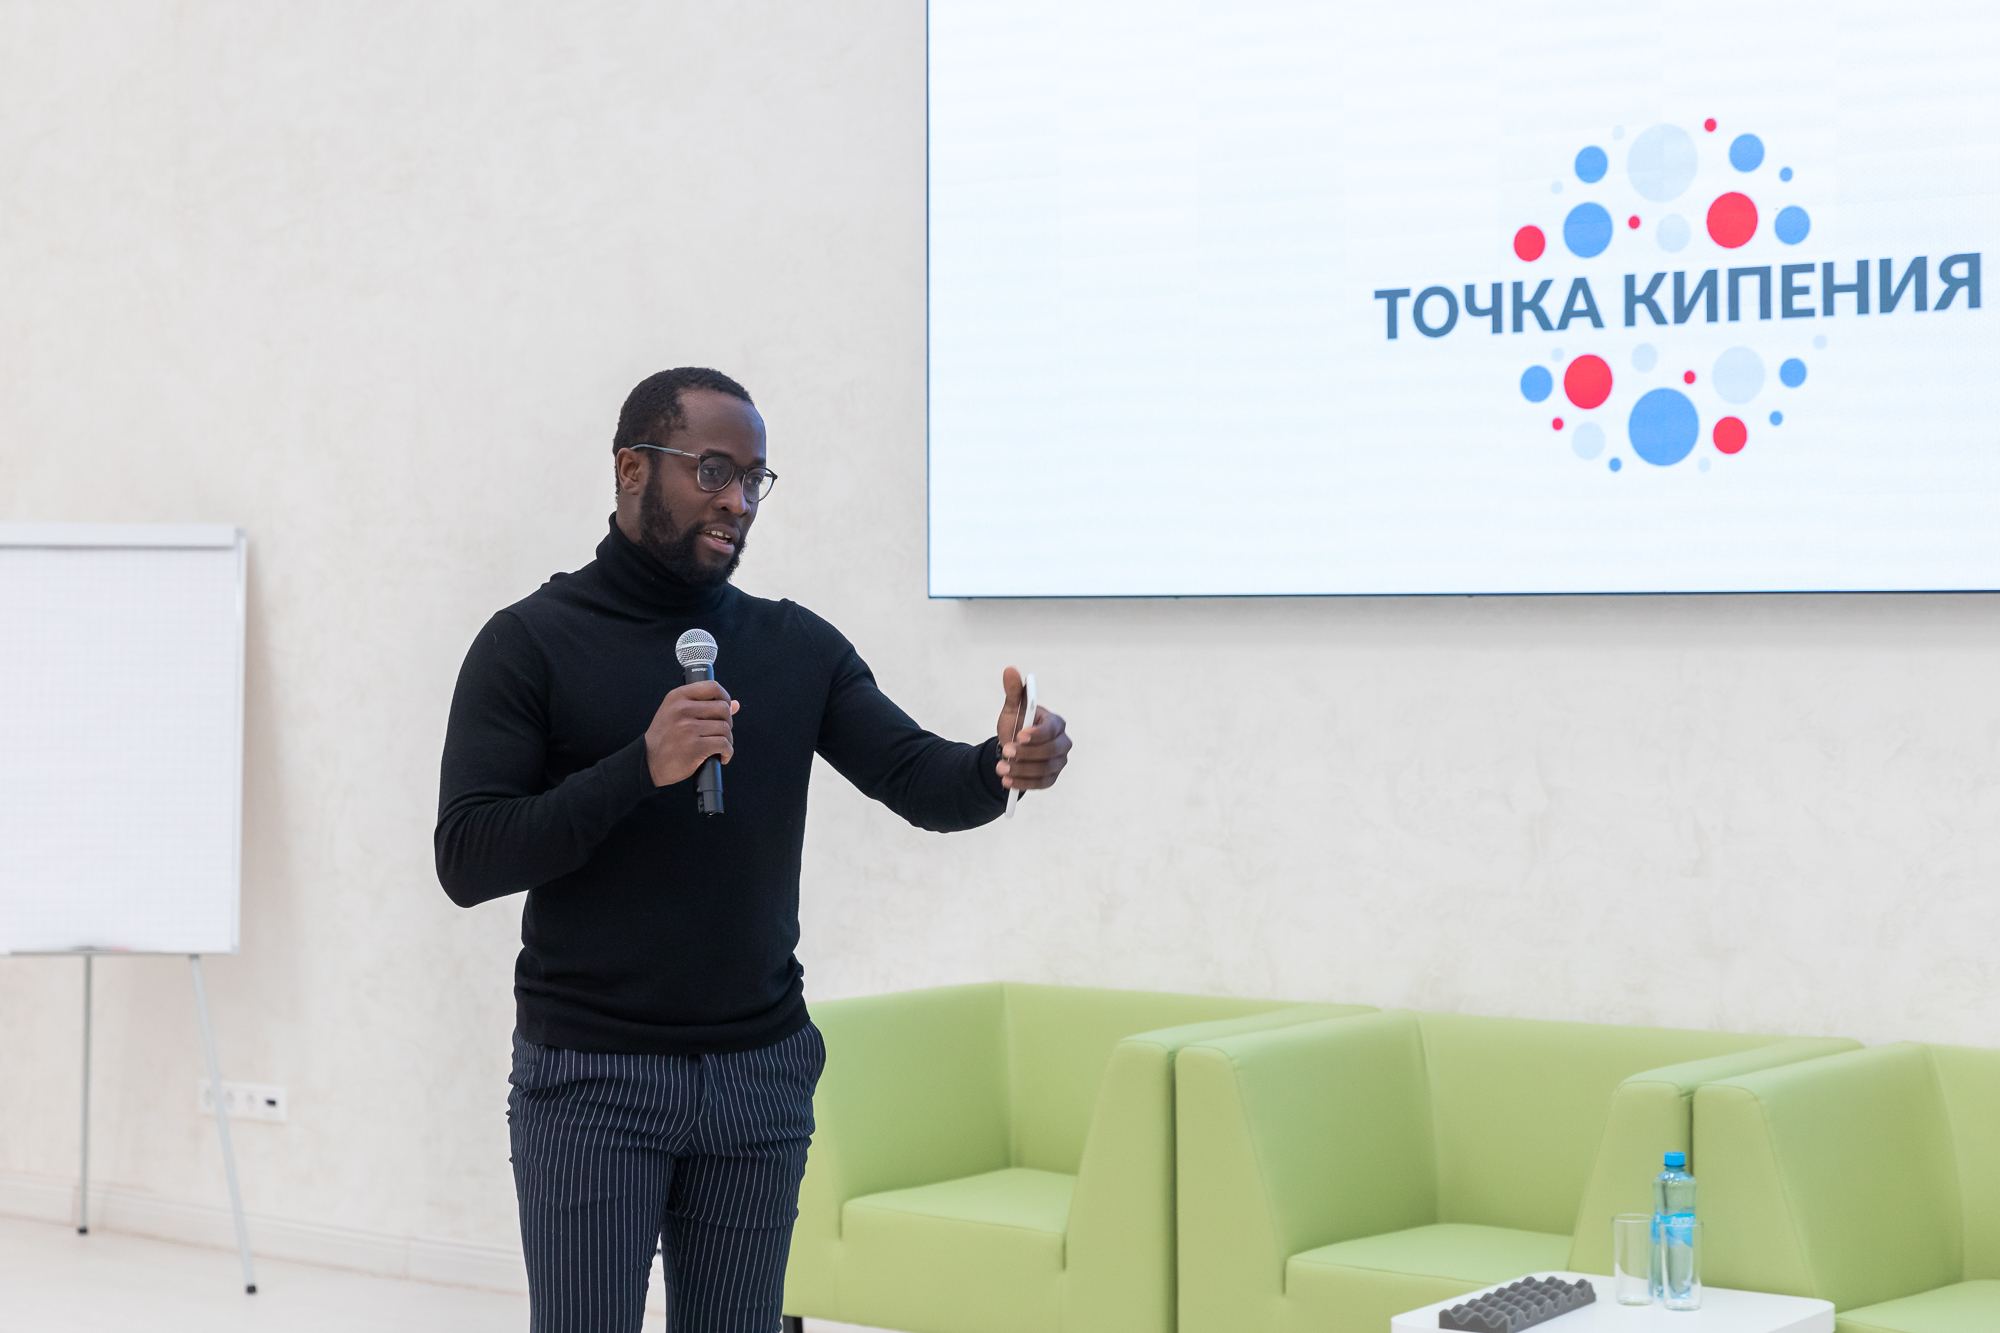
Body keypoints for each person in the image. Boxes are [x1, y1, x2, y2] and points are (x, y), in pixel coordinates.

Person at [434, 367, 1072, 1333]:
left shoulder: (794, 646)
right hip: (594, 1079)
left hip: (759, 1078)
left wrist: (1001, 763)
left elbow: (920, 778)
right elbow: (468, 855)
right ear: (632, 468)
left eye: (754, 479)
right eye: (713, 471)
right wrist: (638, 768)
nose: (738, 501)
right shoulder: (529, 643)